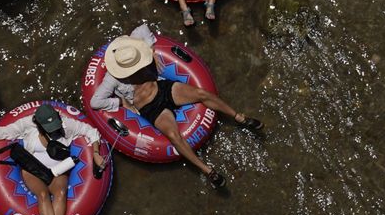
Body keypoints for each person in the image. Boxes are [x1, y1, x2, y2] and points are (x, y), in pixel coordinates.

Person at [90, 24, 262, 187]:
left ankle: (239, 117)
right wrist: (120, 102)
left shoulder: (135, 48)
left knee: (202, 94)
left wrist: (151, 49)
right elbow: (95, 102)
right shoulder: (111, 79)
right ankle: (208, 171)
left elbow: (142, 28)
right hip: (151, 108)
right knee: (173, 135)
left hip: (162, 88)